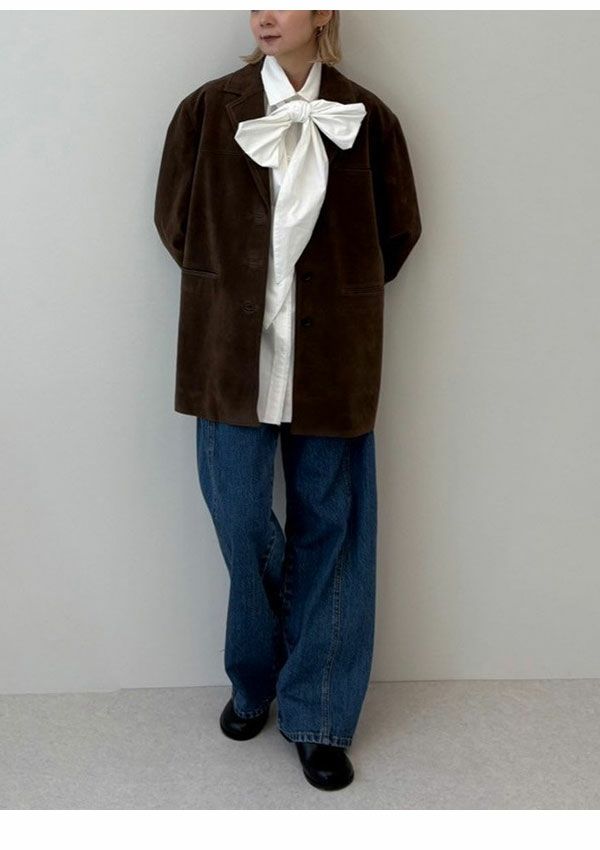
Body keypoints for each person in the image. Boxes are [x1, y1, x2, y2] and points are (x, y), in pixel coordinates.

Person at [154, 10, 422, 792]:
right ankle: (256, 674)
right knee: (239, 515)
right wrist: (237, 288)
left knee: (330, 526)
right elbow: (174, 221)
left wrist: (331, 295)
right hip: (228, 355)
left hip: (334, 358)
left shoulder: (371, 120)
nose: (265, 13)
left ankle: (319, 717)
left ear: (325, 12)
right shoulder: (207, 110)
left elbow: (398, 234)